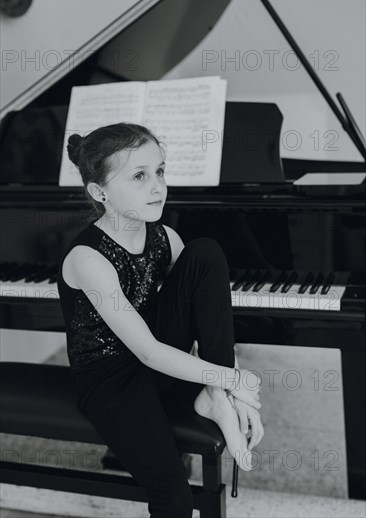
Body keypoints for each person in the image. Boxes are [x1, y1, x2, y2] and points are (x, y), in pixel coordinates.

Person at [57, 122, 264, 518]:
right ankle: (218, 390)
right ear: (99, 192)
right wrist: (236, 378)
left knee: (205, 253)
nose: (158, 187)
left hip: (158, 361)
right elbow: (149, 352)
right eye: (139, 176)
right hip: (111, 380)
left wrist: (231, 389)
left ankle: (215, 400)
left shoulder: (165, 236)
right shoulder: (88, 259)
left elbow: (207, 315)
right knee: (174, 498)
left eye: (160, 171)